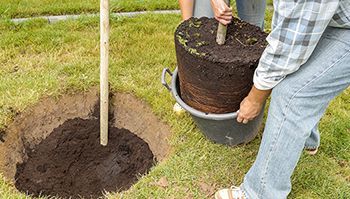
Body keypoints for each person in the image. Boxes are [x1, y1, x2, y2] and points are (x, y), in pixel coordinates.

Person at [178, 0, 350, 198]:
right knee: (306, 74)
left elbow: (288, 46)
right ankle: (306, 141)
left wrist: (255, 98)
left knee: (292, 95)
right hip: (337, 18)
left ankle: (260, 192)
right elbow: (290, 25)